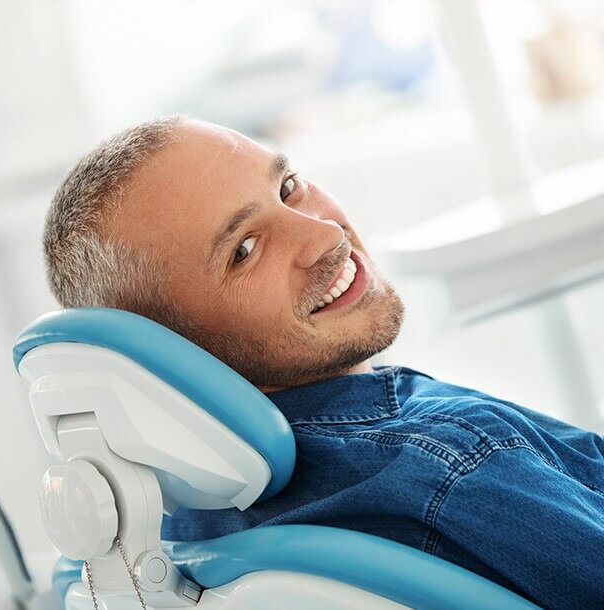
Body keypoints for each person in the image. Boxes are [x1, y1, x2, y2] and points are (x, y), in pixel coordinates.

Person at [42, 116, 604, 609]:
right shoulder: (454, 461)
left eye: (288, 187)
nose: (325, 233)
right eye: (244, 249)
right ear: (174, 349)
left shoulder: (160, 539)